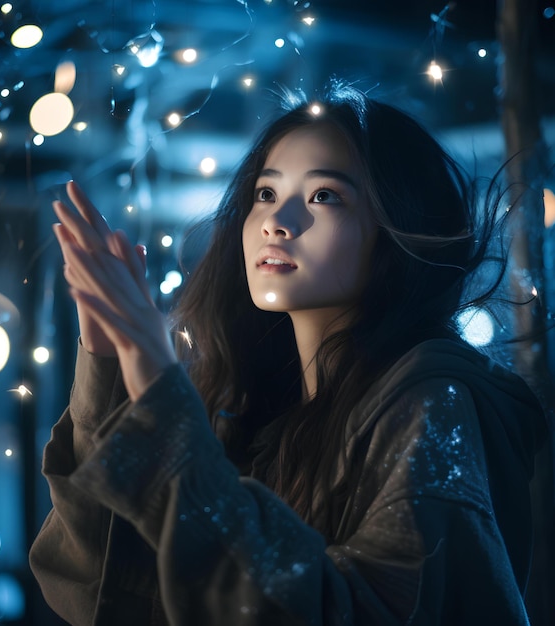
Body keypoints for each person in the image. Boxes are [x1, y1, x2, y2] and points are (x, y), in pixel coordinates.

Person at [29, 86, 547, 625]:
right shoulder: (253, 409)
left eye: (325, 196)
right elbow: (100, 591)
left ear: (395, 230)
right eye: (264, 194)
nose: (278, 221)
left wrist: (162, 402)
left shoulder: (434, 400)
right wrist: (108, 372)